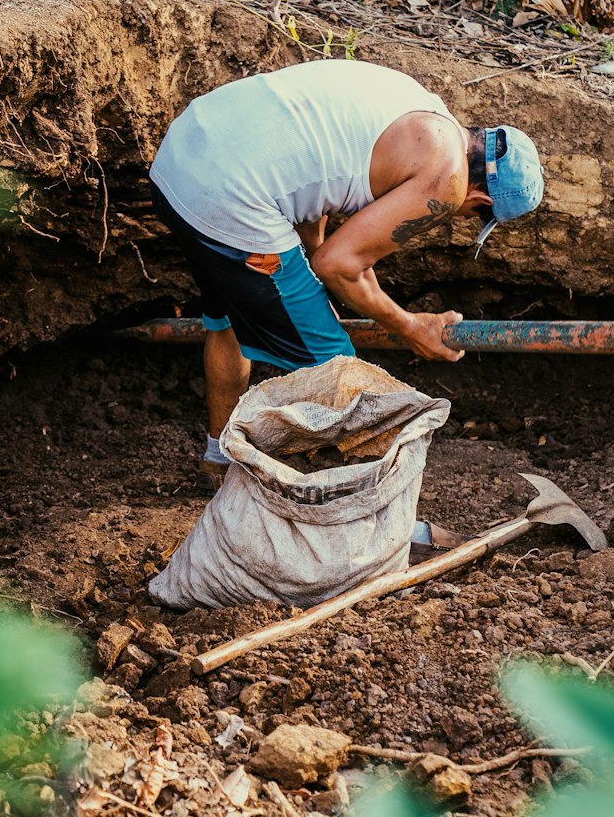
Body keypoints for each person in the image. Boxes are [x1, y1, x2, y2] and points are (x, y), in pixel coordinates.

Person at [149, 58, 543, 492]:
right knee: (338, 370)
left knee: (227, 324)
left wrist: (325, 269)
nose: (464, 216)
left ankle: (218, 465)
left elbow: (315, 185)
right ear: (480, 195)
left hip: (182, 159)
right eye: (475, 215)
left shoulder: (421, 105)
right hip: (231, 197)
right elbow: (337, 265)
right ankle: (359, 520)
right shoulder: (447, 178)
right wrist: (411, 327)